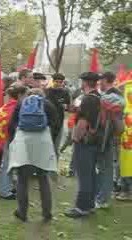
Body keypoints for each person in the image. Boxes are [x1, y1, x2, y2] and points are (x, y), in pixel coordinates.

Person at [8, 88, 59, 222]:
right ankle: (47, 212)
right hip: (43, 143)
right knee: (43, 178)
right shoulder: (48, 105)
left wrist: (13, 140)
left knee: (22, 179)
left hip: (24, 142)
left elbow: (11, 125)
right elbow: (56, 125)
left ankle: (22, 212)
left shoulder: (21, 104)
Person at [65, 72, 101, 218]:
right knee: (91, 173)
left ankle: (81, 208)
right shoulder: (98, 97)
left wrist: (75, 138)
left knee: (84, 175)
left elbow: (83, 122)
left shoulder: (88, 99)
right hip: (94, 140)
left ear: (85, 83)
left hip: (85, 141)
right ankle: (90, 205)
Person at [96, 72, 124, 208]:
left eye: (100, 80)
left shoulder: (114, 96)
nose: (99, 83)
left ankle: (103, 199)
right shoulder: (110, 95)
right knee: (102, 167)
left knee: (106, 168)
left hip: (109, 136)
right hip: (105, 136)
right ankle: (101, 197)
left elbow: (116, 106)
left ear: (105, 80)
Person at [0, 83, 27, 200]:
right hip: (12, 139)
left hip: (11, 138)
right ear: (20, 95)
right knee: (8, 165)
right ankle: (5, 190)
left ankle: (9, 187)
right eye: (25, 94)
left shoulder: (13, 105)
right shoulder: (16, 106)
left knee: (11, 165)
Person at [45, 73, 71, 156]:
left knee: (56, 145)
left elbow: (68, 106)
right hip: (48, 121)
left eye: (60, 82)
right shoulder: (47, 91)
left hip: (59, 120)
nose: (58, 84)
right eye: (56, 81)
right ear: (53, 81)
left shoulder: (65, 92)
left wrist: (66, 107)